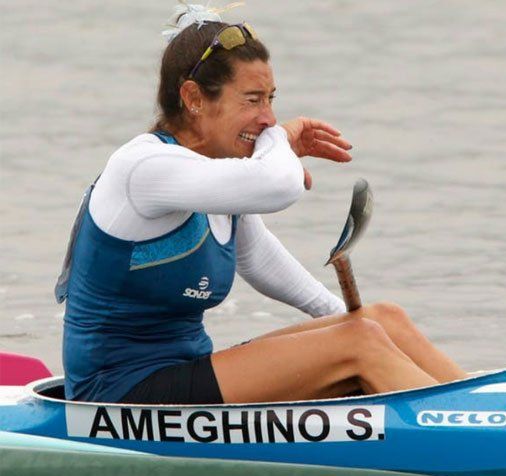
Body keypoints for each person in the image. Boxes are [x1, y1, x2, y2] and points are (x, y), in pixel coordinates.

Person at [59, 5, 466, 405]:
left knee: (383, 320)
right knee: (360, 342)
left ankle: (486, 408)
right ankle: (465, 429)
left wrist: (344, 317)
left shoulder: (211, 175)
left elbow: (258, 257)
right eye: (253, 100)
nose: (268, 118)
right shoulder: (144, 167)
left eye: (270, 99)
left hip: (186, 370)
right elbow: (279, 185)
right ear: (193, 97)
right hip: (116, 394)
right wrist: (280, 142)